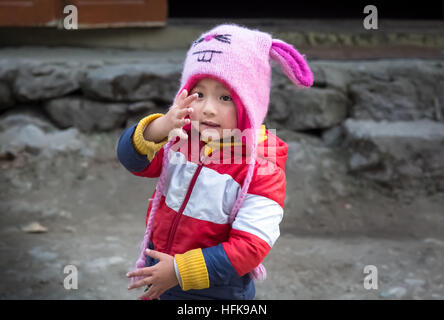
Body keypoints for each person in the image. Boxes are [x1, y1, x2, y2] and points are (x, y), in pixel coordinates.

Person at [117, 23, 313, 300]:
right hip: (160, 270)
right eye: (198, 94)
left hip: (215, 288)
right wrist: (160, 127)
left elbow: (251, 246)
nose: (208, 108)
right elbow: (133, 161)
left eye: (225, 97)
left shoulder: (261, 167)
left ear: (251, 102)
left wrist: (180, 271)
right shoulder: (181, 139)